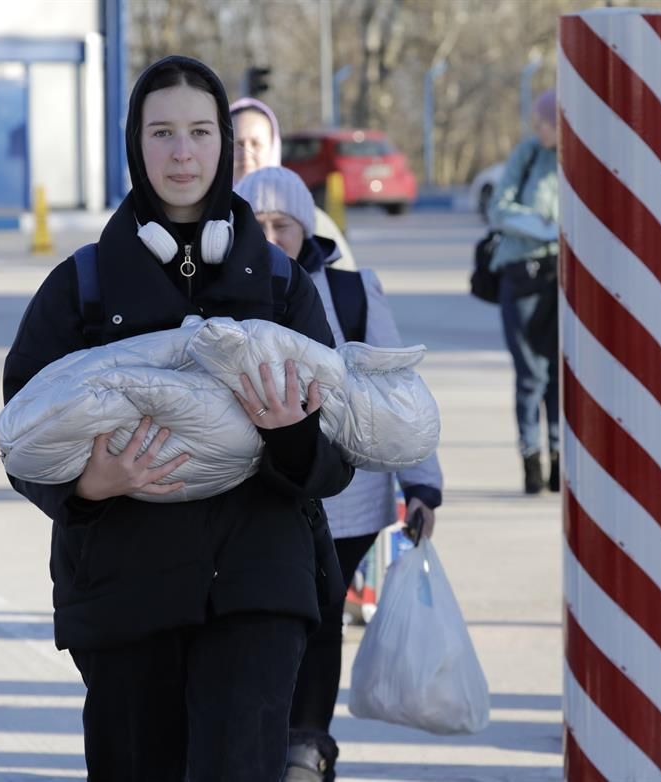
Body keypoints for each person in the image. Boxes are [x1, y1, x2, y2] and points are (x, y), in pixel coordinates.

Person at [2, 55, 355, 780]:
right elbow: (21, 436)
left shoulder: (283, 284)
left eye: (200, 131)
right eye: (162, 132)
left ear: (225, 145)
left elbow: (341, 453)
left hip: (259, 586)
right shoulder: (83, 287)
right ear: (135, 143)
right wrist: (84, 487)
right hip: (126, 595)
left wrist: (292, 437)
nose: (183, 152)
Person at [235, 166, 444, 780]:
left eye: (284, 225)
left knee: (323, 619)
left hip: (346, 501)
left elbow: (399, 394)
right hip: (259, 495)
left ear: (308, 228)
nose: (272, 237)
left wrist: (422, 485)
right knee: (272, 622)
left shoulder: (352, 292)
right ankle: (270, 740)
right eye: (258, 225)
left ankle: (307, 745)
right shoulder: (222, 290)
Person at [487, 89, 560, 495]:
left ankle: (559, 457)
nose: (537, 129)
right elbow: (500, 208)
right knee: (531, 373)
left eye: (544, 122)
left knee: (560, 376)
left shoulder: (580, 156)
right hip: (522, 275)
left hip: (561, 279)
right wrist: (546, 227)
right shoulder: (528, 154)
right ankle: (531, 458)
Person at [230, 96, 357, 270]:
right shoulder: (209, 216)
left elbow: (343, 283)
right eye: (238, 144)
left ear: (273, 147)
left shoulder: (310, 219)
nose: (246, 154)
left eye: (256, 144)